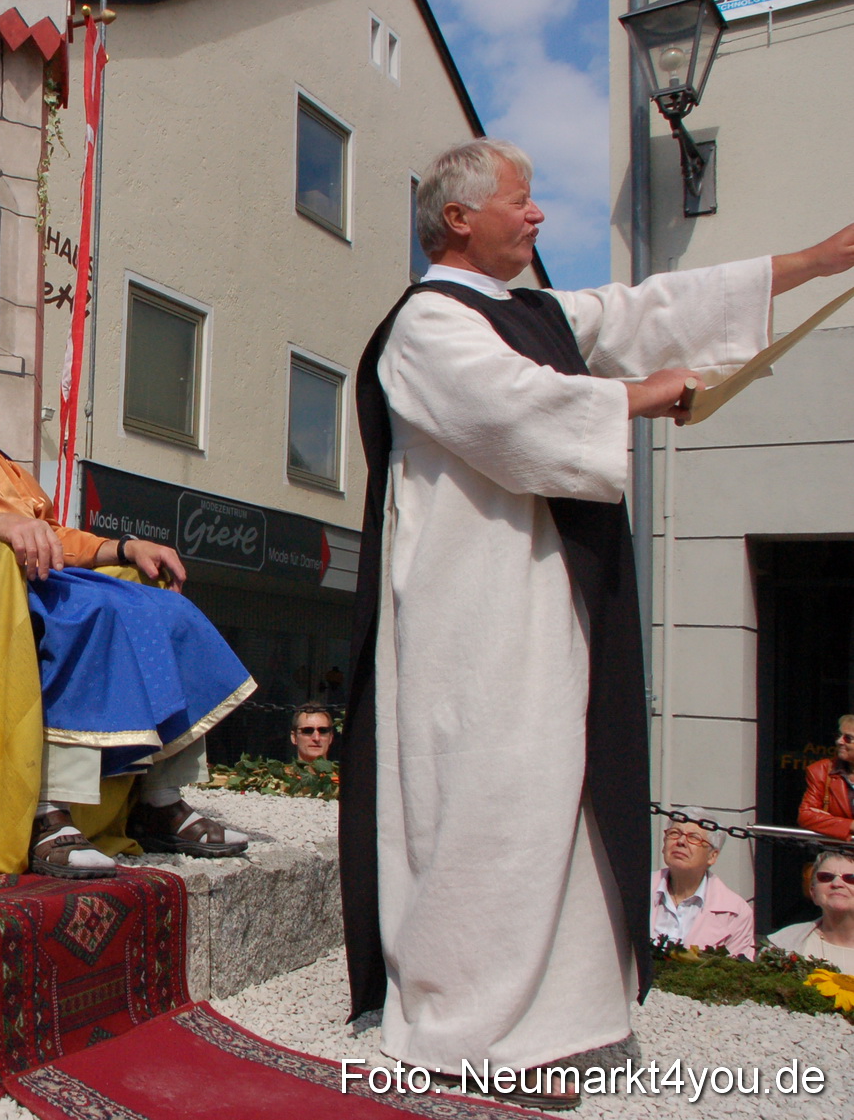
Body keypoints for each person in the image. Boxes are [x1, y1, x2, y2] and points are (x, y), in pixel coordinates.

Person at [338, 136, 854, 1105]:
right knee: (485, 802)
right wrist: (643, 394)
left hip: (548, 601)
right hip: (469, 610)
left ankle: (559, 1018)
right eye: (522, 201)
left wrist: (822, 258)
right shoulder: (426, 326)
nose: (539, 216)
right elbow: (512, 413)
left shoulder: (534, 312)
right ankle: (466, 1026)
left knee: (554, 790)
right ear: (459, 217)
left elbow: (651, 309)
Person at [0, 292, 254, 878]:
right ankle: (41, 812)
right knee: (92, 618)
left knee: (162, 611)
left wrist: (123, 547)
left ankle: (158, 802)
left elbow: (49, 532)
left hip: (34, 577)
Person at [649, 809, 756, 959]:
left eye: (694, 837)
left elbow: (737, 974)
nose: (681, 842)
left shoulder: (736, 912)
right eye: (674, 833)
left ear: (712, 856)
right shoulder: (636, 890)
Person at [768, 850, 854, 971]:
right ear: (813, 892)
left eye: (850, 878)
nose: (836, 883)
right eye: (826, 877)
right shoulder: (783, 944)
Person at [797, 715, 854, 841]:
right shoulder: (821, 771)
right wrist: (850, 825)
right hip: (839, 852)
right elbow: (806, 816)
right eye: (839, 735)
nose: (839, 741)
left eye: (848, 738)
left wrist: (829, 821)